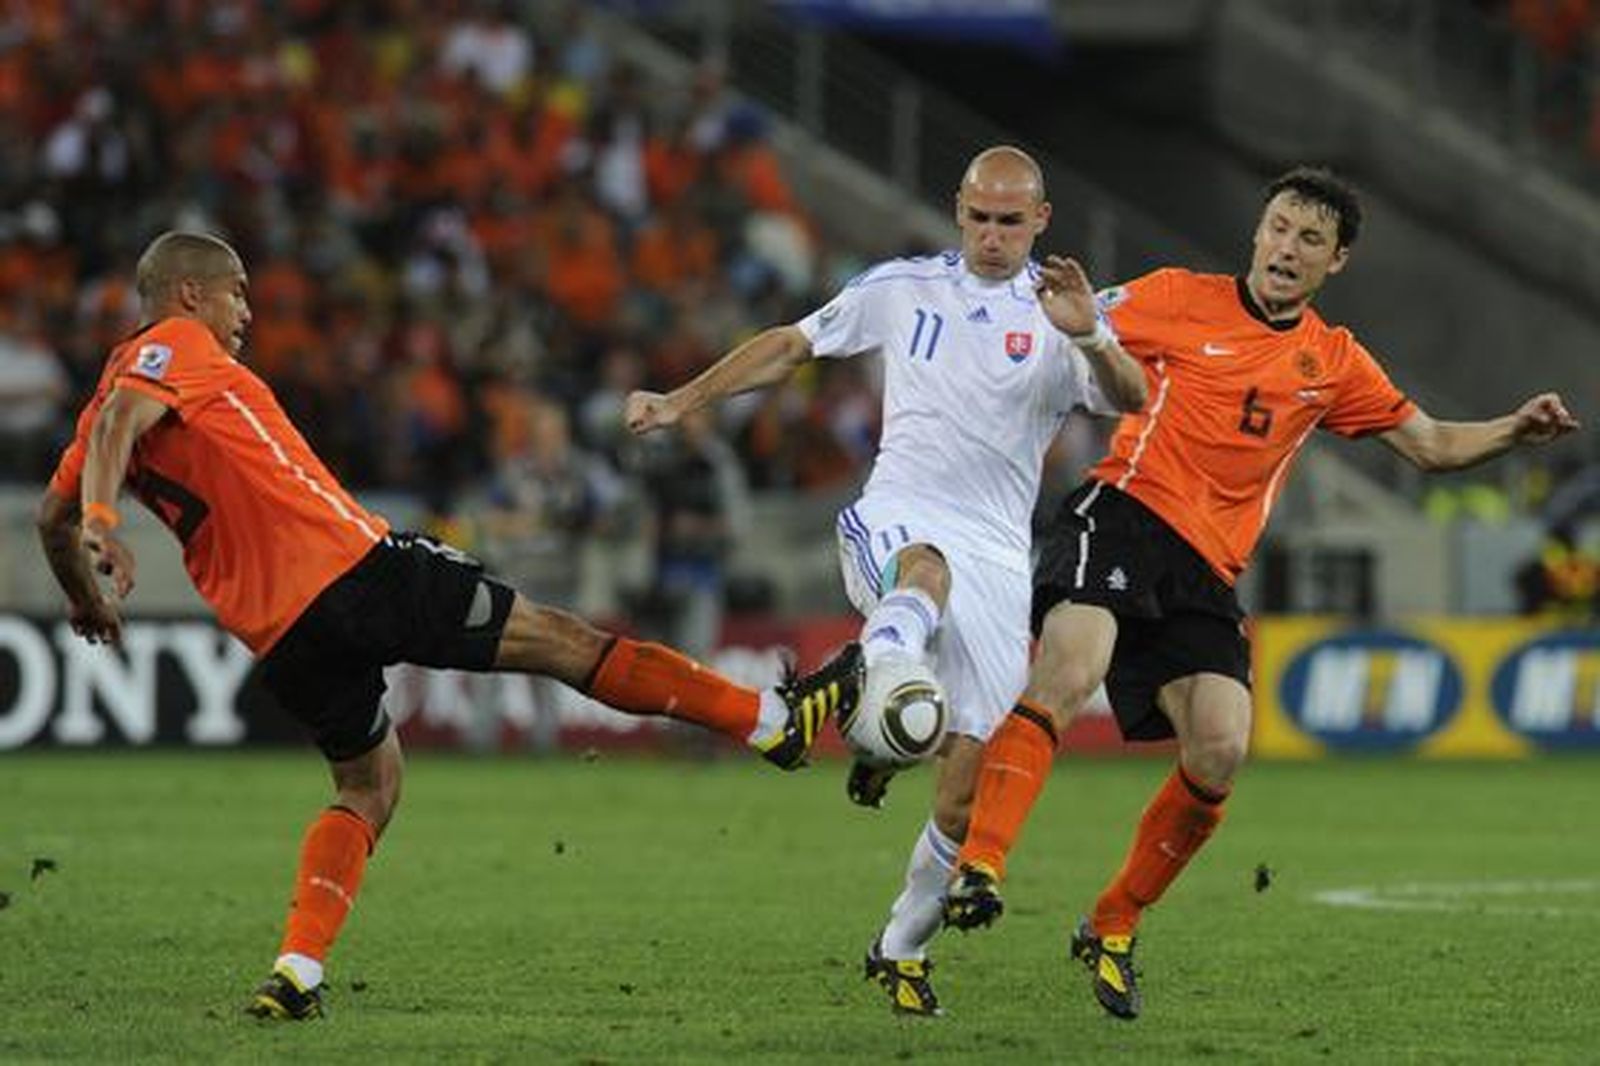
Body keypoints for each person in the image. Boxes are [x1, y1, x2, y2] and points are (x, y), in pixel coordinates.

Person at [34, 231, 863, 1021]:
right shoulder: (173, 345)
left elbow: (50, 517)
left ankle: (296, 971)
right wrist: (105, 522)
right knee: (564, 643)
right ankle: (769, 721)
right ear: (189, 294)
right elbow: (113, 437)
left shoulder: (106, 399)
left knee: (369, 786)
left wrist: (84, 596)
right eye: (236, 294)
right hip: (358, 573)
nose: (246, 312)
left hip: (281, 635)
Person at [940, 166, 1581, 1020]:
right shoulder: (1177, 296)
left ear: (1335, 261)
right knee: (1071, 667)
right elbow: (1061, 327)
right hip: (1123, 512)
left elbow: (1430, 445)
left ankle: (1113, 921)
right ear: (1257, 232)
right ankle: (980, 866)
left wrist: (1513, 430)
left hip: (1206, 572)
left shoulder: (1335, 360)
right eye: (1279, 227)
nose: (1287, 247)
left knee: (1220, 748)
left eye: (1310, 239)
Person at [625, 146, 1148, 1015]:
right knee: (923, 570)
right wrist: (682, 400)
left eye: (1010, 221)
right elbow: (791, 346)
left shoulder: (1063, 312)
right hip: (898, 514)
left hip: (999, 555)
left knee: (969, 773)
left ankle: (900, 943)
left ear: (1041, 221)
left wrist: (1090, 331)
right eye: (979, 218)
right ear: (958, 211)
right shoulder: (902, 288)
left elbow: (1131, 395)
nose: (991, 235)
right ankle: (868, 684)